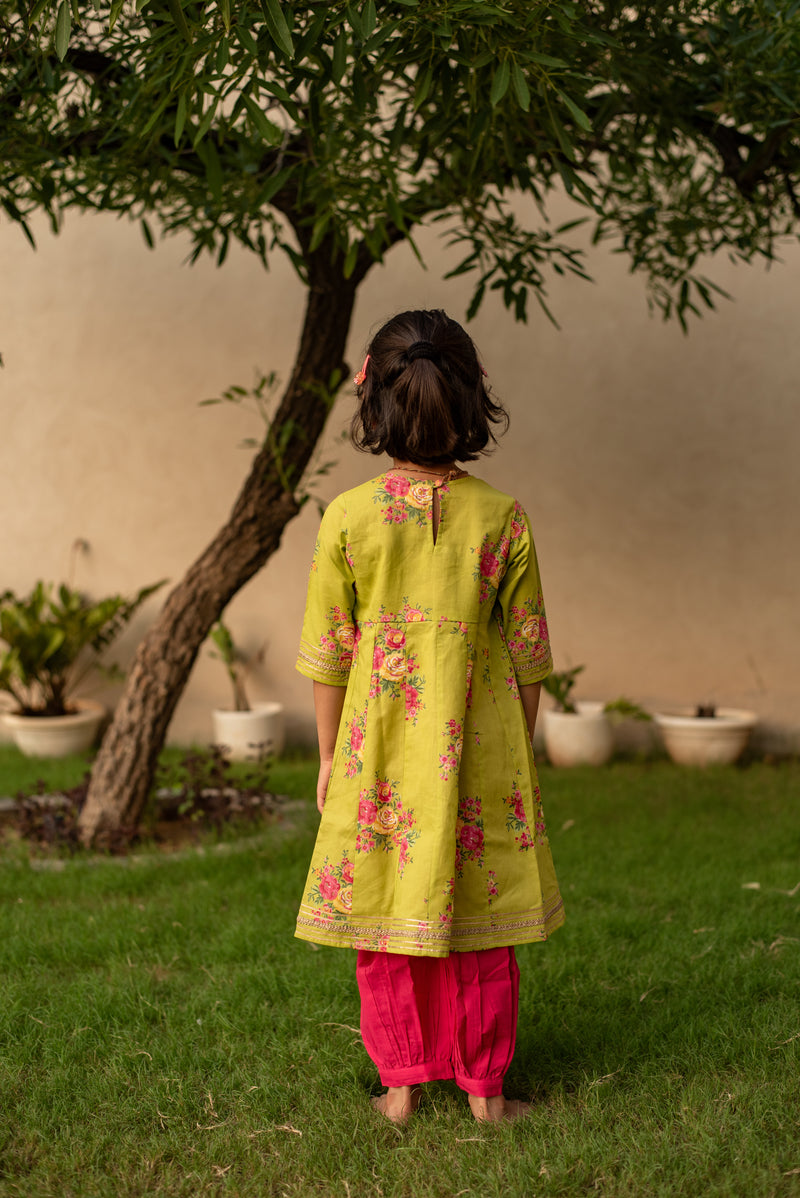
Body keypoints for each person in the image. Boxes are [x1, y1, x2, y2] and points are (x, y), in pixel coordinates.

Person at [294, 309, 564, 1123]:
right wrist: (516, 747)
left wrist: (327, 757)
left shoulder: (347, 517)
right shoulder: (504, 517)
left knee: (383, 907)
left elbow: (328, 656)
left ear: (370, 400)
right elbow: (528, 658)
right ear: (475, 396)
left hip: (376, 752)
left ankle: (403, 1086)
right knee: (483, 920)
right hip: (480, 756)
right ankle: (487, 1095)